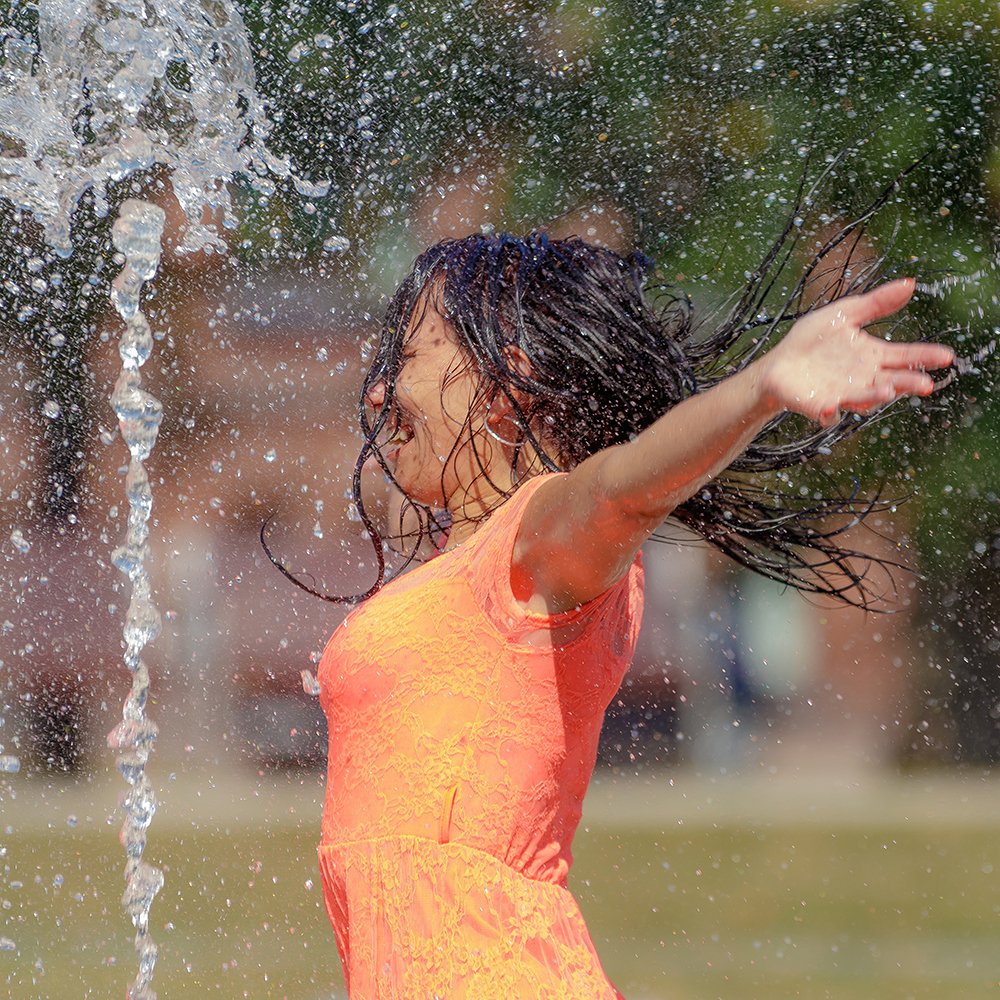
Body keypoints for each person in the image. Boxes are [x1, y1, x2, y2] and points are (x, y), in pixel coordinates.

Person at [266, 229, 954, 997]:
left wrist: (763, 386)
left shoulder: (537, 543)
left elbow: (618, 491)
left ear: (507, 382)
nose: (375, 391)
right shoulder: (466, 566)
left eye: (407, 359)